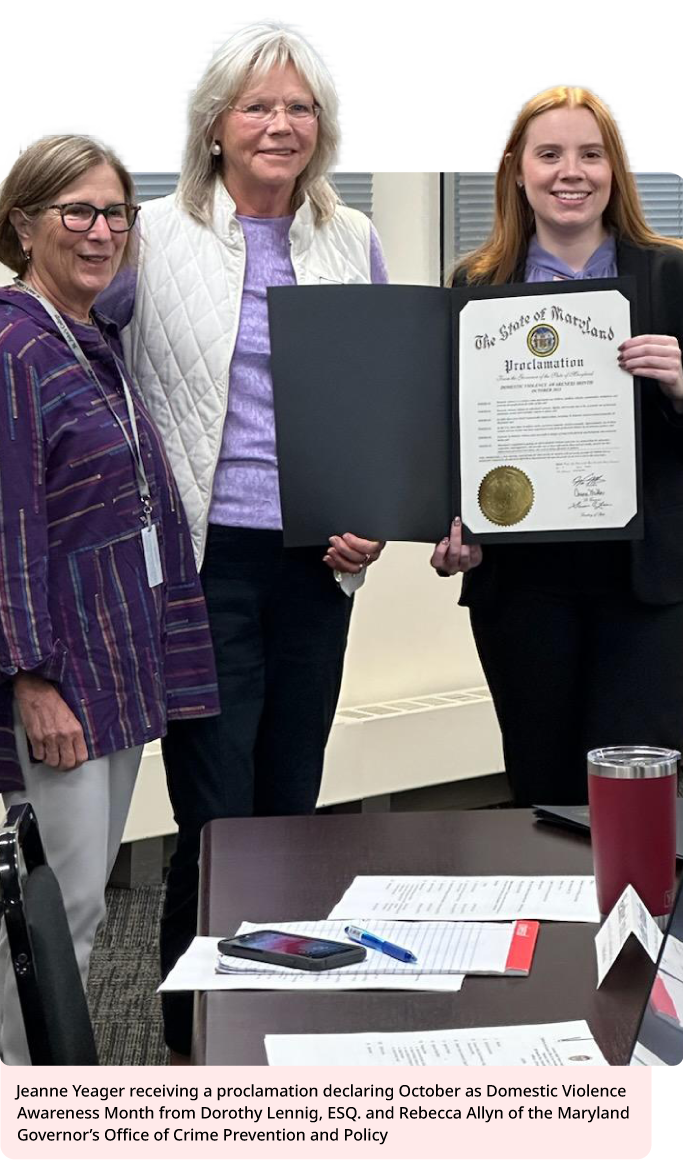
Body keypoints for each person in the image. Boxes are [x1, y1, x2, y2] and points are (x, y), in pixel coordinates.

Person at [99, 19, 388, 1062]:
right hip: (200, 564)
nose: (280, 123)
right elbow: (77, 359)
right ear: (213, 126)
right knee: (217, 809)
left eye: (299, 107)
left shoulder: (349, 240)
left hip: (318, 563)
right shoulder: (147, 235)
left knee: (291, 797)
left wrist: (370, 515)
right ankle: (197, 1036)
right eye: (257, 105)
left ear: (323, 128)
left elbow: (375, 398)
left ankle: (282, 1025)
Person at [0, 135, 218, 1065]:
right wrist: (30, 680)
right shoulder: (13, 343)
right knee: (61, 910)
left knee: (76, 899)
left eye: (116, 214)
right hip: (64, 678)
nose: (100, 232)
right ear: (22, 224)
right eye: (75, 213)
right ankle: (23, 1086)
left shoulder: (88, 339)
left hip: (118, 663)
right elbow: (6, 527)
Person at [432, 84, 683, 807]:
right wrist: (446, 527)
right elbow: (450, 432)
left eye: (589, 154)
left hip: (646, 587)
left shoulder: (669, 274)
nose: (569, 172)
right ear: (516, 169)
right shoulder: (475, 285)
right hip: (519, 583)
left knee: (637, 794)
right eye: (548, 155)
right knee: (541, 786)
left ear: (615, 171)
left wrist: (677, 386)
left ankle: (636, 924)